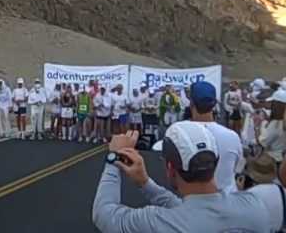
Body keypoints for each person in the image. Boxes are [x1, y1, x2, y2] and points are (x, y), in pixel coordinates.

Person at [92, 124, 277, 233]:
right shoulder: (254, 205)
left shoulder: (155, 222)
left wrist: (113, 158)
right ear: (216, 161)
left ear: (170, 168)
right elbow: (193, 212)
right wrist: (145, 183)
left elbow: (103, 214)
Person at [189, 81, 243, 193]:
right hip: (229, 199)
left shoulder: (180, 133)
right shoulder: (232, 136)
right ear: (214, 105)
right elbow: (238, 167)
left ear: (191, 103)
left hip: (196, 199)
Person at [257, 89, 286, 168]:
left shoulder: (276, 124)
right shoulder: (282, 121)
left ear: (276, 105)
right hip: (282, 159)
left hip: (273, 160)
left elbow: (263, 142)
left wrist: (257, 127)